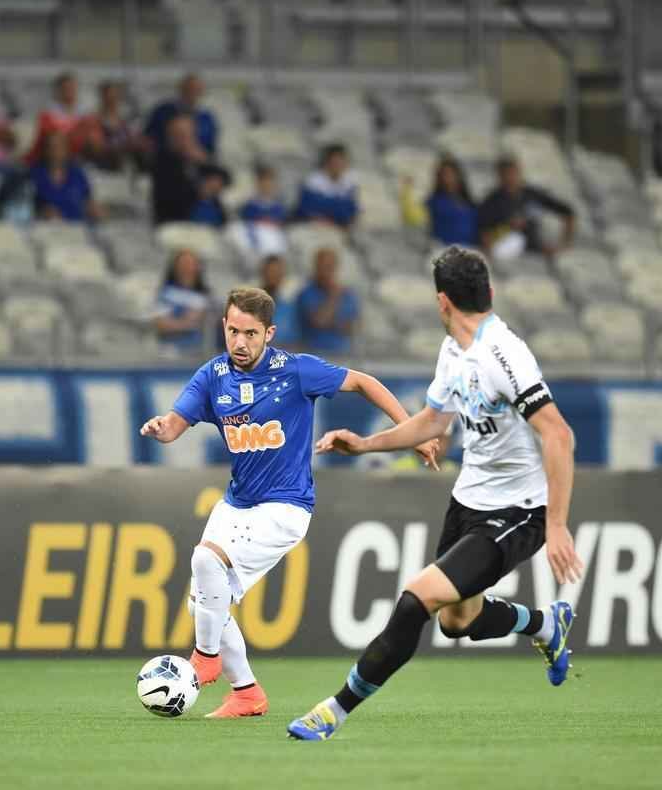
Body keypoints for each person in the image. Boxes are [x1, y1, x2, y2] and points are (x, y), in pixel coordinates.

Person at [288, 245, 584, 741]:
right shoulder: (453, 351)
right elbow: (432, 421)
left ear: (442, 301)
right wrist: (365, 444)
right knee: (457, 621)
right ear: (485, 291)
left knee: (414, 601)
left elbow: (559, 435)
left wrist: (554, 525)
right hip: (469, 500)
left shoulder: (503, 354)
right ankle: (545, 625)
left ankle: (333, 710)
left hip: (518, 512)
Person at [139, 286, 440, 719]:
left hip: (285, 507)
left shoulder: (296, 371)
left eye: (251, 333)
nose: (240, 343)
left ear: (269, 333)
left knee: (206, 563)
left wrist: (412, 432)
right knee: (206, 598)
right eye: (233, 331)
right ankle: (246, 693)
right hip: (237, 502)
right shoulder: (213, 376)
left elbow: (363, 382)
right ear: (223, 327)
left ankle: (204, 660)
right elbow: (174, 425)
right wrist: (161, 427)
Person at [478, 153, 575, 259]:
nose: (510, 178)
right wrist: (508, 227)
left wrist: (564, 243)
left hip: (536, 251)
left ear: (519, 173)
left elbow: (568, 213)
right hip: (507, 249)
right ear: (499, 176)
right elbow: (485, 235)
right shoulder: (491, 201)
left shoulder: (533, 195)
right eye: (505, 174)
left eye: (513, 173)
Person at [22, 71, 97, 166]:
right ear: (59, 90)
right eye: (66, 88)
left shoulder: (85, 111)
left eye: (72, 88)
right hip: (53, 156)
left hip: (77, 154)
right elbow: (48, 137)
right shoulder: (48, 112)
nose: (70, 92)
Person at [28, 131, 103, 223]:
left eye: (60, 146)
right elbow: (25, 208)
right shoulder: (33, 174)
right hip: (45, 228)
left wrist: (94, 210)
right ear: (45, 150)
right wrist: (41, 213)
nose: (56, 151)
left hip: (76, 228)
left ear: (67, 149)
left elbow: (88, 200)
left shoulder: (77, 174)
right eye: (51, 147)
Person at [296, 247, 359, 354]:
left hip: (343, 353)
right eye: (323, 266)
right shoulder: (307, 294)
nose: (326, 271)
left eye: (329, 266)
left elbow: (353, 327)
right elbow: (319, 321)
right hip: (315, 353)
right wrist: (334, 296)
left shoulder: (348, 295)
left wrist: (334, 323)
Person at [151, 114, 209, 225]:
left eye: (189, 135)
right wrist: (201, 191)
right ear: (170, 137)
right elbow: (174, 199)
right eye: (179, 135)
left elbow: (224, 175)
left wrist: (205, 161)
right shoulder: (163, 160)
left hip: (207, 222)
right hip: (177, 224)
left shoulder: (196, 157)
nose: (185, 140)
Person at [145, 73, 218, 157]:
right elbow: (148, 139)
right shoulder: (163, 111)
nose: (192, 92)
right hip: (165, 158)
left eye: (196, 89)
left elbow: (211, 147)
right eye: (189, 89)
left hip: (198, 159)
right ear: (181, 89)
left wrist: (201, 154)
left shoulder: (207, 118)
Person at [155, 249, 212, 352]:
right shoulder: (167, 294)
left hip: (201, 351)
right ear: (175, 267)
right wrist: (188, 323)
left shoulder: (206, 296)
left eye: (191, 263)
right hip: (171, 350)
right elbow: (161, 324)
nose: (187, 268)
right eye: (184, 263)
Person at [294, 144, 359, 229]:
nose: (338, 166)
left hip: (338, 226)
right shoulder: (313, 181)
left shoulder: (349, 182)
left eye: (341, 162)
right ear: (327, 163)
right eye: (335, 162)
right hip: (313, 225)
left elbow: (350, 211)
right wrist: (335, 208)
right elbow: (306, 209)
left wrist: (331, 208)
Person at [87, 80, 146, 172]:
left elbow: (135, 139)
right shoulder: (95, 118)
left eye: (114, 95)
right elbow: (97, 146)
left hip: (126, 154)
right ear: (103, 97)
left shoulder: (126, 118)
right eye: (109, 95)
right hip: (106, 159)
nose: (112, 99)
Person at [424, 157, 480, 247]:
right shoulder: (435, 202)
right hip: (446, 248)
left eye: (450, 174)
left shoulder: (469, 202)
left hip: (471, 248)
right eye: (443, 175)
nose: (447, 179)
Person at [260, 254, 300, 345]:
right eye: (271, 272)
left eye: (278, 272)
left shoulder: (290, 308)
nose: (275, 276)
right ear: (263, 272)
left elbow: (295, 339)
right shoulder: (250, 306)